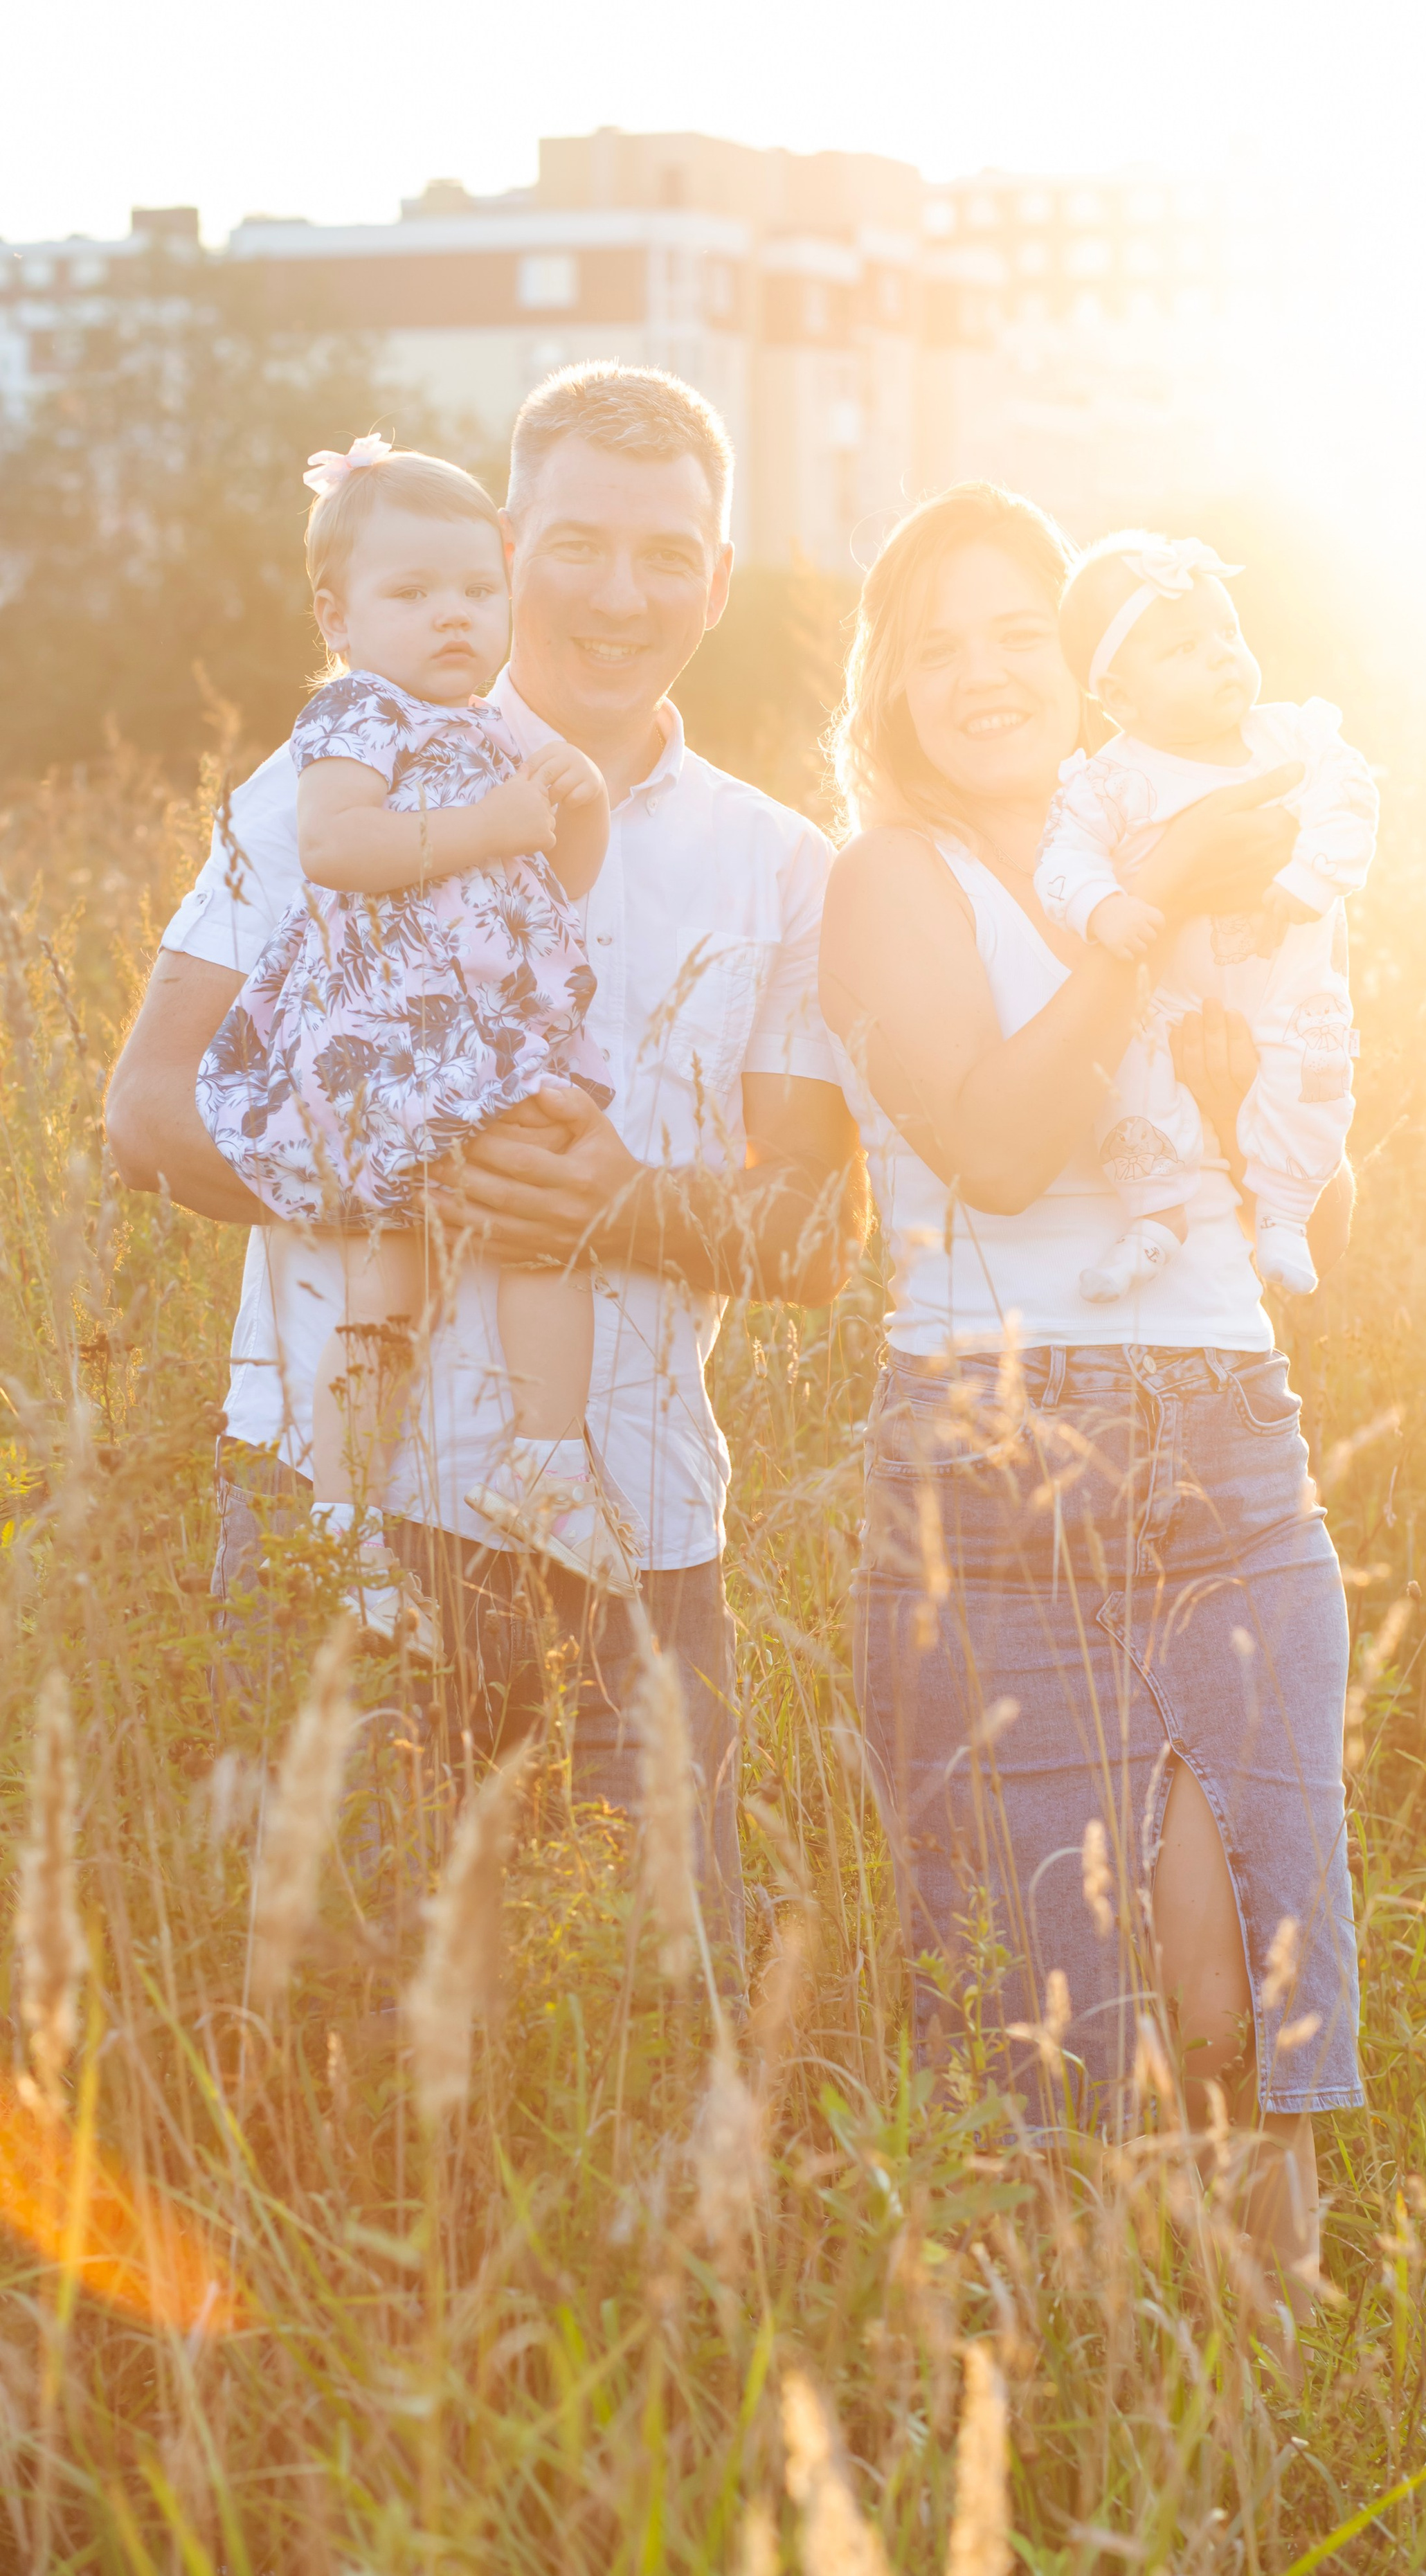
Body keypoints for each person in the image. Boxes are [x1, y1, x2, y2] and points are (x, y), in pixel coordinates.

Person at [106, 365, 863, 1966]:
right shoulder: (334, 784)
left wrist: (622, 1207)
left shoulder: (781, 866)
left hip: (632, 1542)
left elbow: (811, 1230)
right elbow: (150, 1110)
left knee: (660, 2043)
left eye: (668, 554)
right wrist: (400, 1176)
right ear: (505, 547)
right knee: (339, 2053)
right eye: (576, 541)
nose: (617, 590)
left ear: (716, 584)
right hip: (341, 1513)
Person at [819, 481, 1360, 2347]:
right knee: (1065, 2019)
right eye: (937, 646)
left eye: (1018, 633)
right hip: (993, 1463)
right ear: (889, 693)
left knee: (1246, 1989)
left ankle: (1278, 2437)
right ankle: (1082, 2433)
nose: (983, 675)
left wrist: (1241, 1049)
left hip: (1230, 1435)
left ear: (1086, 659)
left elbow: (1302, 1188)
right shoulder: (897, 877)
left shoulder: (1181, 838)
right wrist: (1148, 929)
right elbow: (989, 1140)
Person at [196, 433, 633, 1648]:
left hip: (489, 1035)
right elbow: (337, 846)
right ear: (337, 616)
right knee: (397, 1278)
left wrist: (572, 808)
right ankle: (348, 1520)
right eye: (412, 594)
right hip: (401, 1038)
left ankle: (534, 1464)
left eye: (475, 593)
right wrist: (490, 822)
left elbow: (557, 879)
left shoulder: (497, 729)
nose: (453, 619)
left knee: (537, 1230)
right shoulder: (355, 715)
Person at [1034, 532, 1378, 1303]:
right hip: (1173, 994)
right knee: (1130, 1080)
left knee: (1313, 1082)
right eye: (1186, 647)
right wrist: (1104, 905)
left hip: (1290, 981)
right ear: (1118, 698)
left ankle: (1286, 1214)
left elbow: (1349, 796)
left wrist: (1312, 871)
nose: (1224, 656)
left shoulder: (1289, 737)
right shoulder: (1113, 782)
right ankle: (1156, 1214)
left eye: (1228, 632)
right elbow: (1062, 859)